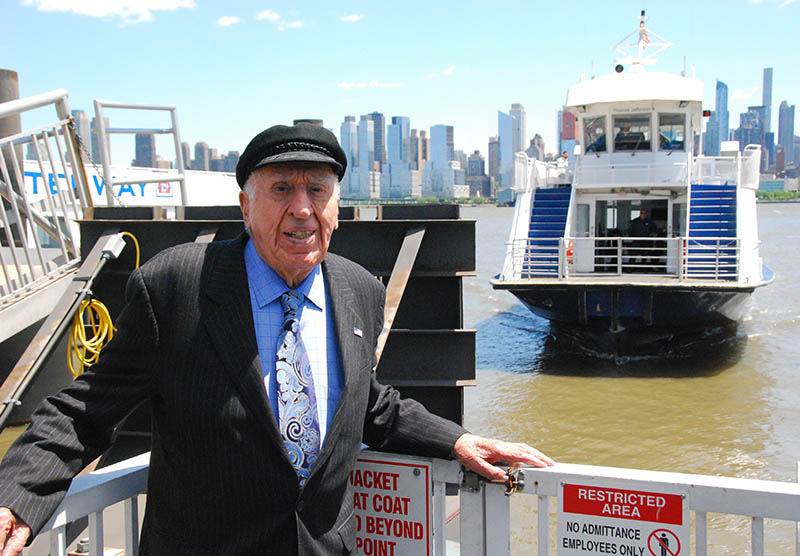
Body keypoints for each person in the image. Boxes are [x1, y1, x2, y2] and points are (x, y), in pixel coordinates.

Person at [0, 123, 554, 555]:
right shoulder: (176, 287)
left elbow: (366, 403)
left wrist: (456, 441)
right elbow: (86, 410)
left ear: (336, 205)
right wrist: (17, 498)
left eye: (318, 189)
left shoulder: (358, 289)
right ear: (246, 206)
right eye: (281, 189)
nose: (302, 208)